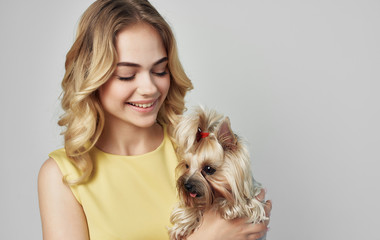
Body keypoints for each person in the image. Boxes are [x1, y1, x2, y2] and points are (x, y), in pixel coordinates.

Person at [37, 0, 272, 239]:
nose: (149, 88)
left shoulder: (194, 150)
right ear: (91, 77)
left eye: (160, 70)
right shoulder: (63, 176)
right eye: (127, 75)